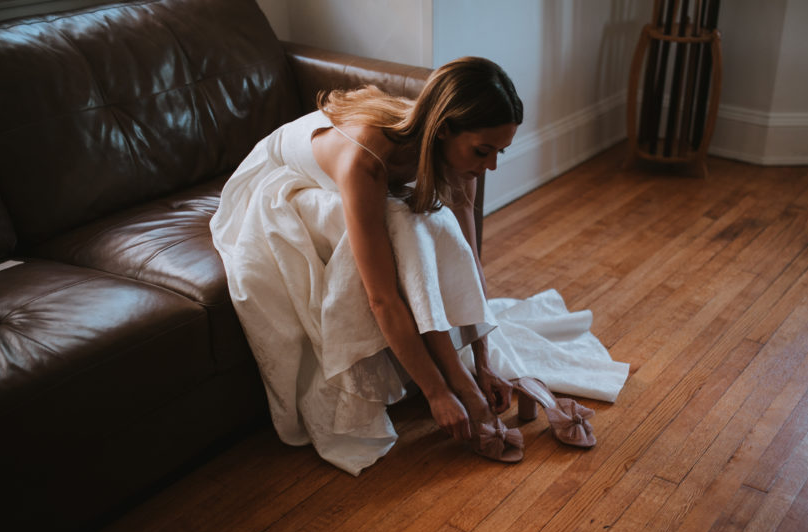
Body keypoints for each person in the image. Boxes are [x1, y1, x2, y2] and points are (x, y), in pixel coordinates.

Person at [211, 56, 628, 476]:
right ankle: (459, 384)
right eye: (483, 151)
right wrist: (437, 394)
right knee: (405, 227)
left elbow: (470, 260)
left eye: (500, 152)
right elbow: (382, 298)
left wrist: (482, 360)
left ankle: (468, 378)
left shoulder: (457, 150)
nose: (491, 167)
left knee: (431, 226)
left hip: (361, 168)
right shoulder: (365, 160)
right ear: (444, 128)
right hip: (280, 177)